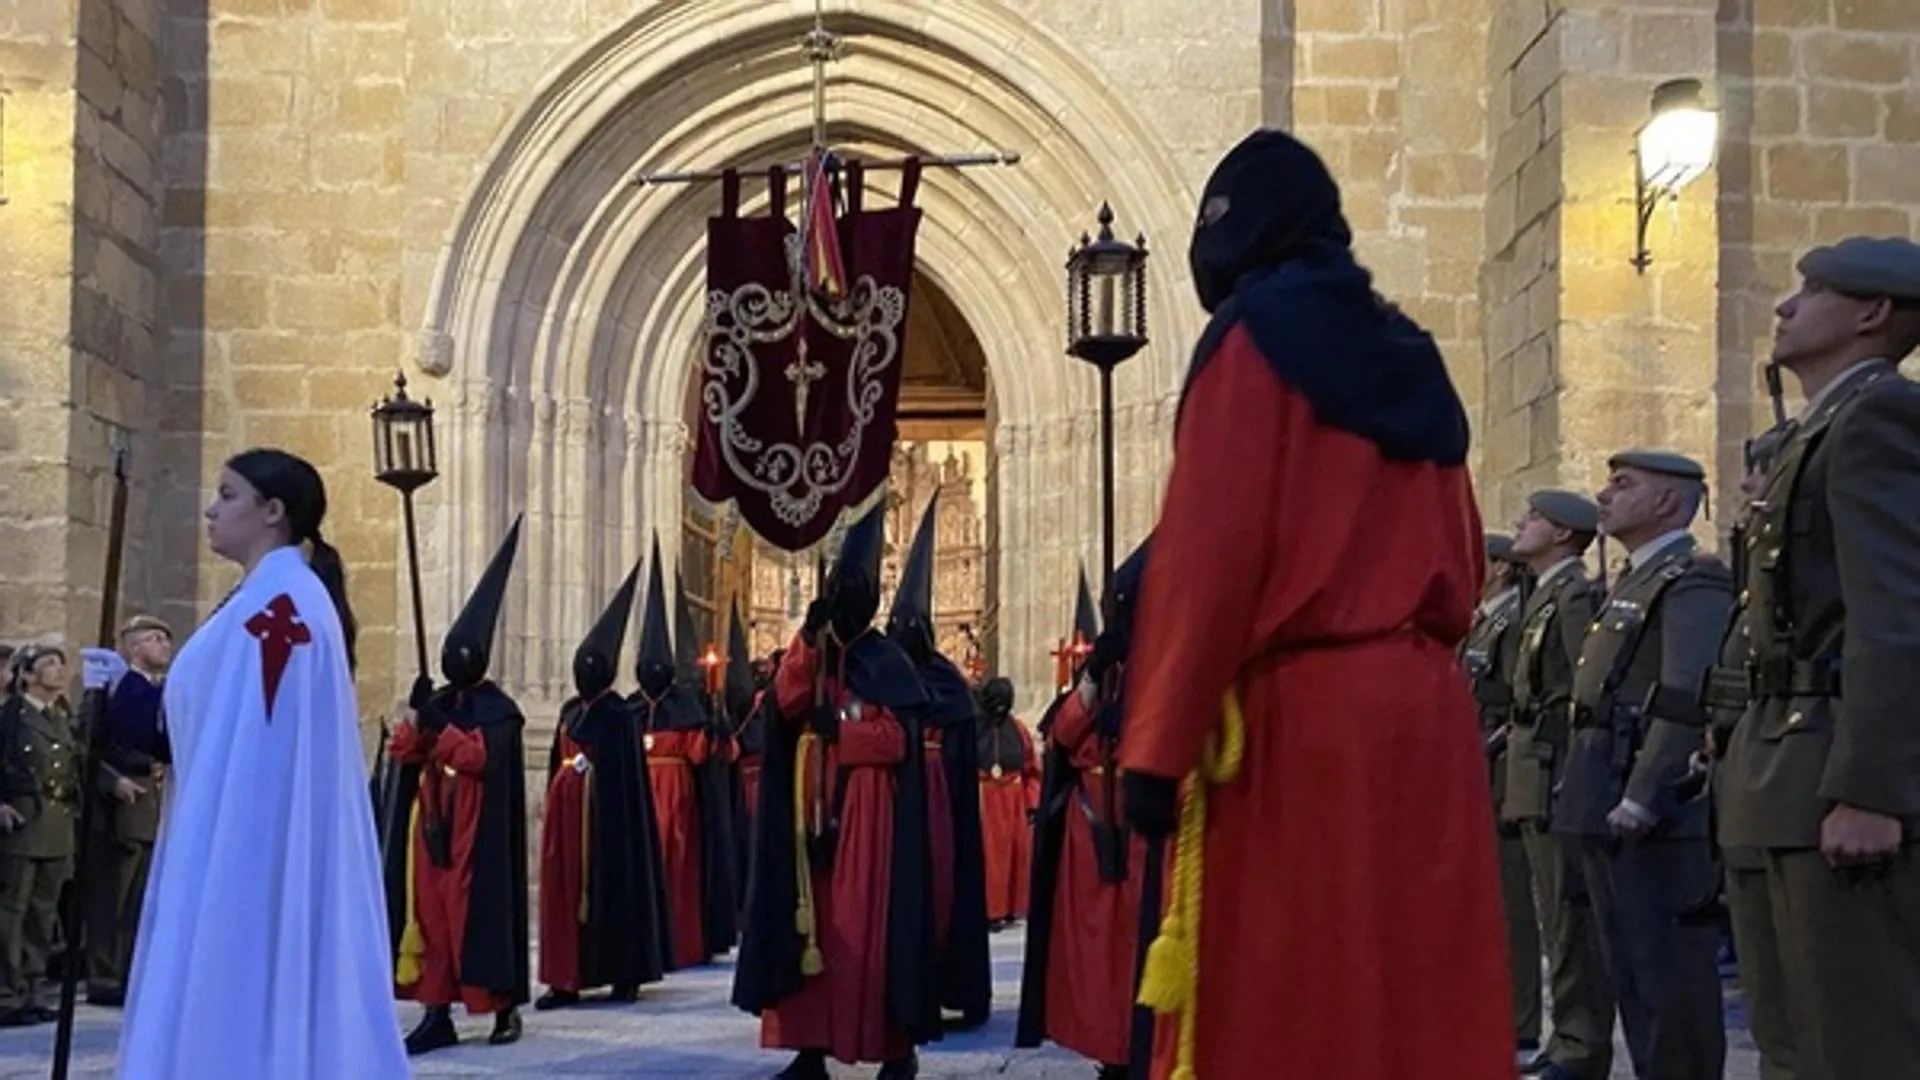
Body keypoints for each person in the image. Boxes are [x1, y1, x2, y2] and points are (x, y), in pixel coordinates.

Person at [1115, 129, 1512, 1080]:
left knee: (1300, 996)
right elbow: (1463, 547)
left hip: (1304, 725)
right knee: (1418, 991)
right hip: (1426, 719)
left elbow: (1211, 556)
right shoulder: (1411, 352)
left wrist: (1156, 747)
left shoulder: (1255, 342)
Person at [108, 448, 407, 1077]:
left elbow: (247, 735)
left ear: (273, 512)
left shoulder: (283, 609)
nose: (212, 510)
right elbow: (216, 716)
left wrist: (128, 699)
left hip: (250, 840)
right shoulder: (270, 598)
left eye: (228, 494)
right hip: (237, 826)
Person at [1717, 236, 1920, 1079]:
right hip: (1777, 765)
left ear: (1872, 314)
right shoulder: (1816, 431)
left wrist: (1871, 789)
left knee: (1858, 1041)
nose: (1785, 306)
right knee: (1790, 1040)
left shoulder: (1878, 416)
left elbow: (1896, 614)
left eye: (1813, 290)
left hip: (1831, 763)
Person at [732, 501, 937, 1080]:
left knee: (862, 929)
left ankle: (890, 1047)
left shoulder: (888, 662)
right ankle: (811, 1044)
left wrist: (842, 733)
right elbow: (784, 703)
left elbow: (897, 738)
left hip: (867, 820)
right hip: (804, 818)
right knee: (809, 925)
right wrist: (806, 637)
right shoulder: (815, 653)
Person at [1557, 449, 1730, 1080]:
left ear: (1666, 503)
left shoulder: (1692, 577)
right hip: (1599, 784)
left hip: (1649, 805)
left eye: (1622, 485)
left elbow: (1685, 692)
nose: (1604, 496)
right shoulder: (1633, 578)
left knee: (1668, 979)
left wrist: (1645, 792)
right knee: (1628, 970)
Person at [387, 519, 530, 1054]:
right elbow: (404, 753)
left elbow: (477, 759)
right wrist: (416, 714)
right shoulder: (440, 701)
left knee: (475, 917)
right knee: (432, 920)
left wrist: (438, 727)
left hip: (476, 831)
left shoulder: (501, 711)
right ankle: (435, 1009)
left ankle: (501, 1008)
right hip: (432, 829)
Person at [1017, 543, 1152, 1080]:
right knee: (1097, 957)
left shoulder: (1163, 660)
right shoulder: (1106, 666)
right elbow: (1065, 735)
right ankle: (1107, 1053)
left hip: (1143, 829)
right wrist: (1095, 676)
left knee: (1136, 948)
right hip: (1092, 830)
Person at [1505, 490, 1615, 1080]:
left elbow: (1581, 694)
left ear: (1565, 535)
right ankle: (1566, 1040)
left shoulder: (1572, 597)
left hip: (1551, 774)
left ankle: (1580, 1044)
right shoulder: (1545, 597)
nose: (1523, 523)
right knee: (1551, 916)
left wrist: (1569, 776)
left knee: (1570, 921)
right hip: (1529, 772)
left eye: (1536, 518)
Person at [1699, 427, 1797, 1080]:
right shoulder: (1756, 578)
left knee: (1817, 996)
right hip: (1753, 773)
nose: (1747, 490)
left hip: (1797, 777)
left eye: (1761, 475)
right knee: (1775, 1001)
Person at [536, 559, 672, 1008]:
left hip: (606, 823)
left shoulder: (619, 715)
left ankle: (623, 972)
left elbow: (624, 782)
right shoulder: (572, 709)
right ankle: (565, 978)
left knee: (617, 885)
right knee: (563, 896)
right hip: (566, 819)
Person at [884, 493, 990, 1027]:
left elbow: (957, 739)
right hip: (893, 800)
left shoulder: (948, 683)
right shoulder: (883, 674)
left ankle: (944, 981)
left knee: (941, 888)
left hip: (936, 802)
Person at [1462, 534, 1542, 1064]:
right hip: (1478, 769)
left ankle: (1522, 1022)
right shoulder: (1483, 620)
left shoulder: (1512, 620)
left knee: (1514, 902)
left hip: (1500, 770)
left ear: (1500, 568)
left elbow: (1519, 699)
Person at [83, 615, 173, 1008]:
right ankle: (104, 975)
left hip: (150, 800)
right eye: (155, 638)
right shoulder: (117, 688)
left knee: (138, 895)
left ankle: (127, 970)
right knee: (113, 895)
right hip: (123, 802)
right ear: (134, 648)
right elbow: (89, 744)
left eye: (167, 638)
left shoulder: (159, 689)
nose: (164, 645)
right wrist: (112, 780)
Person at [0, 643, 77, 1029]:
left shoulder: (60, 717)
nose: (59, 670)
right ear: (27, 675)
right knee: (11, 911)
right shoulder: (13, 715)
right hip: (22, 823)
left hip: (55, 823)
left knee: (41, 914)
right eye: (48, 664)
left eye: (61, 664)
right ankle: (6, 993)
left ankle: (31, 988)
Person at [975, 675, 1036, 927]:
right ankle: (991, 911)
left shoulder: (1019, 730)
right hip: (985, 797)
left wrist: (1031, 803)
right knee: (990, 859)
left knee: (1015, 857)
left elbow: (1032, 768)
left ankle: (1012, 907)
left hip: (1012, 798)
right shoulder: (975, 728)